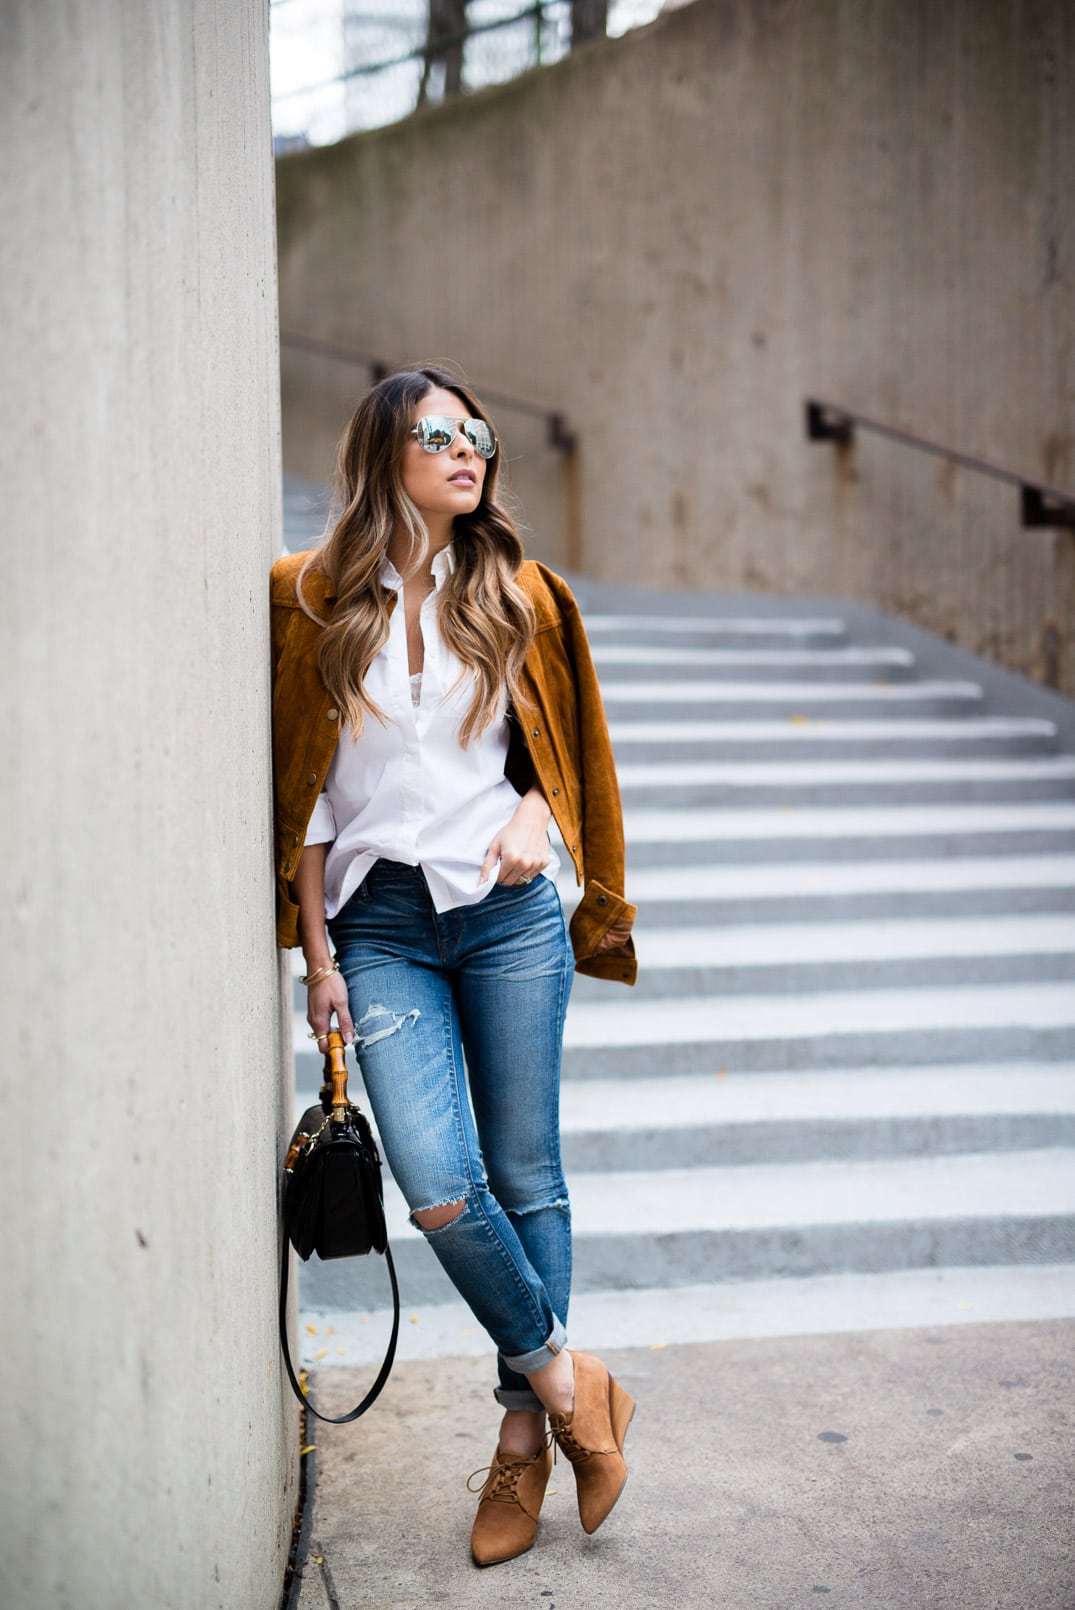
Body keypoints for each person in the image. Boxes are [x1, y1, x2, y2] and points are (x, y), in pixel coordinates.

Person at [270, 366, 638, 1566]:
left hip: (505, 910)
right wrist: (318, 954)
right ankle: (576, 1382)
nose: (467, 450)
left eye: (476, 433)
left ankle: (525, 1440)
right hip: (377, 925)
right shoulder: (314, 601)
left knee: (526, 1172)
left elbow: (560, 746)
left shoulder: (521, 592)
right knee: (437, 1178)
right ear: (389, 453)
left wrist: (539, 813)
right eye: (439, 435)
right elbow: (307, 793)